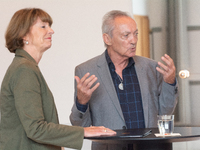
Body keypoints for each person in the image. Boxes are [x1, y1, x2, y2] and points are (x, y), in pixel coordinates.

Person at [0, 8, 116, 150]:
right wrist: (84, 131)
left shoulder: (25, 66)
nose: (51, 31)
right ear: (24, 35)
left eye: (49, 26)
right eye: (43, 26)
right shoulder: (24, 69)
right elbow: (35, 129)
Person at [70, 10, 178, 150]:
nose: (133, 40)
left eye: (135, 34)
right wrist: (81, 102)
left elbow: (165, 112)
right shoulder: (86, 71)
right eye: (126, 35)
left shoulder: (152, 67)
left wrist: (169, 82)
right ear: (107, 39)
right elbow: (80, 126)